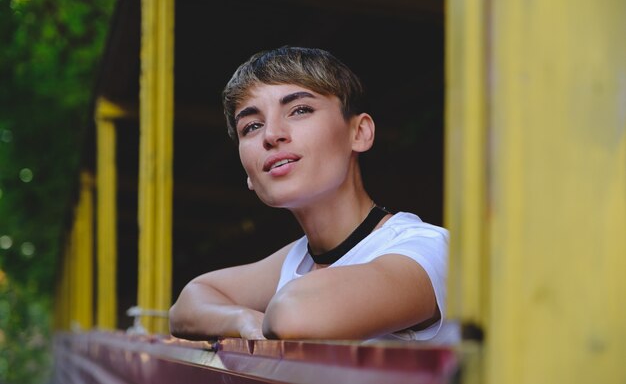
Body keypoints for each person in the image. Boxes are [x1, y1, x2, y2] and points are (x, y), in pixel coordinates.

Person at [169, 47, 448, 341]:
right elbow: (187, 304)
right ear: (250, 176)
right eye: (251, 126)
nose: (271, 135)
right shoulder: (299, 257)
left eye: (300, 110)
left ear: (360, 133)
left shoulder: (427, 249)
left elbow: (293, 314)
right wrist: (243, 320)